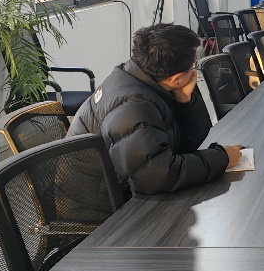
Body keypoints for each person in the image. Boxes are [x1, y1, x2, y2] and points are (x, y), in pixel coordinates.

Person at [68, 24, 243, 196]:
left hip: (113, 188)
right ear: (175, 79)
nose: (194, 71)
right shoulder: (135, 105)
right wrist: (223, 158)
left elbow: (181, 147)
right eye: (193, 65)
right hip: (101, 204)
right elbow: (157, 175)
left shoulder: (135, 76)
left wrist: (185, 102)